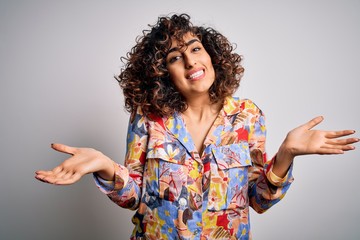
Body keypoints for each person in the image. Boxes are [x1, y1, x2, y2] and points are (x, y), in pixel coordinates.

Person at [35, 14, 358, 239]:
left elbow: (257, 201)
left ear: (212, 55)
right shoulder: (147, 117)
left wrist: (287, 154)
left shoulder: (247, 116)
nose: (191, 62)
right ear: (162, 73)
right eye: (175, 58)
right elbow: (135, 197)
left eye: (195, 49)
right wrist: (105, 166)